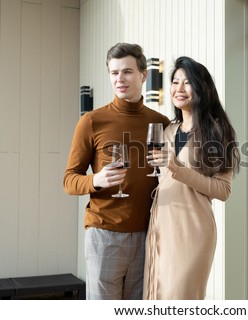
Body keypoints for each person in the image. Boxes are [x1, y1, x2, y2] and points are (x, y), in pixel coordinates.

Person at [63, 42, 170, 300]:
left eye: (127, 72)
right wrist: (95, 180)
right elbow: (69, 180)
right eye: (114, 73)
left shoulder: (161, 123)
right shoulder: (92, 121)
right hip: (105, 234)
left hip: (148, 234)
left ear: (144, 75)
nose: (119, 79)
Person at [143, 56, 240, 300]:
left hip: (192, 232)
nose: (179, 89)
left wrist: (177, 168)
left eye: (188, 83)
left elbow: (223, 190)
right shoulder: (168, 130)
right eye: (175, 82)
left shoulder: (216, 131)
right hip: (160, 230)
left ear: (202, 88)